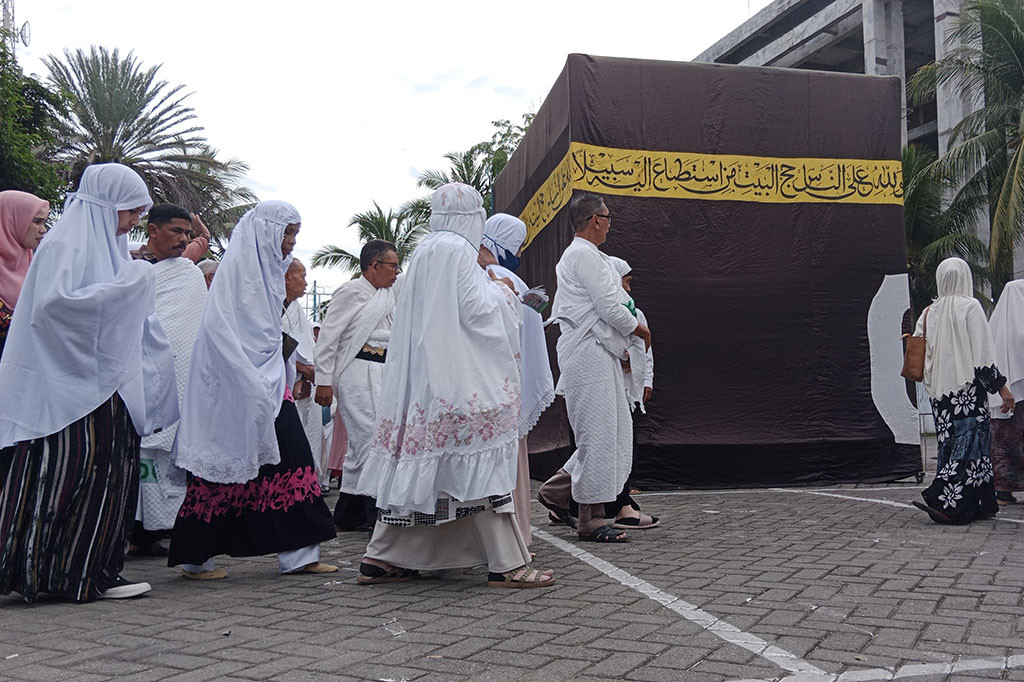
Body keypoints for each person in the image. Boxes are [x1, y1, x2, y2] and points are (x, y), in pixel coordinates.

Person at [353, 183, 554, 588]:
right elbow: (477, 311)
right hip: (458, 380)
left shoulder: (426, 249)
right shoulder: (459, 252)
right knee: (474, 468)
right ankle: (506, 563)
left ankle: (383, 556)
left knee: (430, 470)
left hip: (424, 383)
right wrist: (504, 292)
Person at [0, 163, 179, 601]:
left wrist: (131, 283)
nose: (135, 222)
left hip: (105, 389)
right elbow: (55, 310)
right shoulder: (65, 246)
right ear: (108, 205)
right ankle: (45, 573)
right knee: (62, 478)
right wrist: (133, 284)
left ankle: (86, 570)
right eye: (131, 211)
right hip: (66, 393)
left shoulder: (112, 252)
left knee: (107, 480)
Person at [168, 201, 337, 579]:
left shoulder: (270, 277)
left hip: (271, 386)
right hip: (235, 387)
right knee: (219, 470)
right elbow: (222, 334)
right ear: (265, 233)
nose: (291, 242)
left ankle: (300, 554)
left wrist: (269, 374)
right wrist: (251, 377)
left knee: (293, 464)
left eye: (295, 234)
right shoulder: (238, 276)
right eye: (286, 233)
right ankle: (195, 557)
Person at [537, 193, 650, 543]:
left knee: (613, 432)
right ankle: (589, 517)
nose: (610, 224)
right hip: (588, 350)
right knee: (597, 433)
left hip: (601, 351)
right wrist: (640, 330)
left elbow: (614, 303)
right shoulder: (582, 255)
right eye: (608, 217)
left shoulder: (592, 256)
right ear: (596, 220)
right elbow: (609, 308)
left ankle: (561, 494)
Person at [911, 257, 1014, 524]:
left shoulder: (928, 312)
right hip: (967, 392)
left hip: (940, 396)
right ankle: (946, 501)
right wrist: (1002, 388)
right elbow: (982, 357)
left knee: (954, 446)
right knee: (971, 448)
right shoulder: (970, 307)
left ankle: (979, 504)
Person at [128, 229, 208, 557]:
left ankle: (162, 529)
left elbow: (190, 326)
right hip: (141, 373)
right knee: (140, 455)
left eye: (185, 234)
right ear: (153, 232)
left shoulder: (188, 273)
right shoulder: (132, 264)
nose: (182, 239)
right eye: (175, 231)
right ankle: (134, 532)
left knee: (169, 457)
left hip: (182, 378)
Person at [479, 214, 555, 545]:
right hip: (505, 387)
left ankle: (501, 541)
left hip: (488, 387)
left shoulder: (494, 277)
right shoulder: (496, 277)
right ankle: (515, 538)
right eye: (517, 246)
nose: (520, 253)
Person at [314, 239, 399, 532]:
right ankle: (376, 513)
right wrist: (323, 381)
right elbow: (328, 338)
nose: (397, 272)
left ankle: (350, 513)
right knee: (372, 439)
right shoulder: (350, 292)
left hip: (385, 372)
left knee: (364, 444)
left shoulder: (390, 295)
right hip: (356, 372)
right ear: (374, 266)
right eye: (393, 266)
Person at [282, 259, 327, 489]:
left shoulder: (296, 309)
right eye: (302, 276)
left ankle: (310, 485)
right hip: (284, 388)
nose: (306, 282)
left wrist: (308, 375)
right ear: (286, 278)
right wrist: (299, 373)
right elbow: (274, 347)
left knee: (312, 439)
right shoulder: (272, 306)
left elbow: (306, 347)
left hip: (306, 386)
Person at [0, 190, 49, 357]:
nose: (43, 230)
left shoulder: (33, 264)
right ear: (11, 221)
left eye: (44, 223)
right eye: (37, 222)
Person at [989, 279, 1024, 505]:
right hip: (1014, 395)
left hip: (1005, 395)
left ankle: (1003, 491)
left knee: (1003, 441)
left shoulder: (995, 326)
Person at [130, 203, 211, 264]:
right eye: (176, 231)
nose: (184, 239)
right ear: (153, 230)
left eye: (187, 233)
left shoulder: (185, 268)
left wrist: (205, 237)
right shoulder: (129, 262)